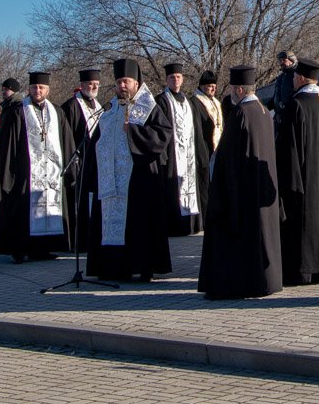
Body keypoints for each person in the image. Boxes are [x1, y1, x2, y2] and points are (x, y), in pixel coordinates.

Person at [198, 65, 282, 300]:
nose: (232, 94)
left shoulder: (240, 114)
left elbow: (228, 157)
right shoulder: (264, 111)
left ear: (239, 90)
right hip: (255, 188)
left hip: (240, 191)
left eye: (234, 89)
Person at [86, 58, 173, 283]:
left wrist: (133, 132)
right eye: (118, 82)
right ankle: (114, 269)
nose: (122, 86)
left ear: (136, 83)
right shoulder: (109, 110)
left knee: (140, 225)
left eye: (126, 82)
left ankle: (143, 268)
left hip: (139, 180)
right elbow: (98, 141)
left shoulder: (149, 107)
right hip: (111, 182)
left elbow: (163, 135)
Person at [0, 71, 74, 263]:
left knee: (49, 208)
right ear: (29, 89)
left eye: (42, 87)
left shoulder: (57, 112)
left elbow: (66, 141)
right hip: (25, 172)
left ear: (48, 89)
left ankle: (45, 248)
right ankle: (20, 249)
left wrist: (70, 168)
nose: (38, 90)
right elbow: (8, 143)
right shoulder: (18, 111)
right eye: (35, 87)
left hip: (51, 173)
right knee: (22, 211)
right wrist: (8, 171)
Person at [275, 58, 319, 285]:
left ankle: (304, 270)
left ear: (302, 79)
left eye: (295, 77)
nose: (293, 81)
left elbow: (289, 149)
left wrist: (288, 183)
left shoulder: (296, 106)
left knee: (303, 225)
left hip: (304, 178)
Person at [157, 63, 210, 236]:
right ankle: (175, 227)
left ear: (183, 79)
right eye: (172, 77)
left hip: (189, 154)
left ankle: (192, 225)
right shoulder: (161, 101)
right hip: (172, 156)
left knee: (190, 187)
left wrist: (201, 155)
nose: (175, 80)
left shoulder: (189, 102)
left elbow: (197, 129)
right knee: (174, 190)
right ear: (167, 80)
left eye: (178, 77)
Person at [58, 69, 103, 252]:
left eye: (96, 85)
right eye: (90, 84)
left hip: (95, 162)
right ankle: (78, 240)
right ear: (82, 85)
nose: (93, 87)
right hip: (77, 161)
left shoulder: (99, 105)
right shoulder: (71, 106)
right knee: (78, 203)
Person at [192, 71, 224, 155]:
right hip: (203, 147)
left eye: (214, 86)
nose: (213, 89)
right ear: (202, 86)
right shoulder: (194, 102)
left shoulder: (216, 102)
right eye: (210, 86)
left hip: (217, 146)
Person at [266, 50, 297, 115]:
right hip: (279, 116)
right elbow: (276, 97)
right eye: (280, 61)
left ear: (292, 60)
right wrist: (263, 108)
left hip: (291, 115)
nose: (281, 63)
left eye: (284, 60)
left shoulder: (296, 76)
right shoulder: (281, 77)